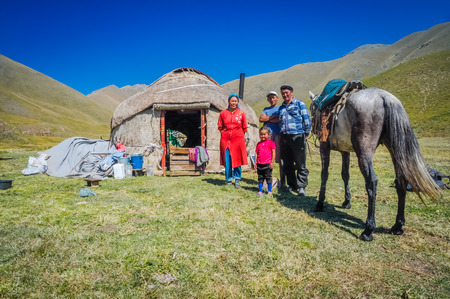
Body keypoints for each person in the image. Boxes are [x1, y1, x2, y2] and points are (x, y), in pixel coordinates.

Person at [278, 85, 312, 196]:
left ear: (291, 92)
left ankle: (301, 187)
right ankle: (292, 185)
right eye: (283, 93)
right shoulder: (281, 107)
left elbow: (306, 119)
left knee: (300, 163)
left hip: (297, 135)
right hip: (285, 137)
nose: (285, 95)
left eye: (286, 92)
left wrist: (305, 134)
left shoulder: (299, 104)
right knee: (287, 163)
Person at [218, 94, 248, 188]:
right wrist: (224, 133)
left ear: (238, 102)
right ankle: (228, 179)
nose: (234, 103)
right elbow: (220, 126)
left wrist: (241, 136)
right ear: (229, 102)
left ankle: (237, 179)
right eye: (232, 101)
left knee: (237, 159)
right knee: (228, 160)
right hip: (225, 139)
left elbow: (244, 127)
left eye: (235, 101)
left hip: (238, 139)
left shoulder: (241, 113)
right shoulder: (223, 113)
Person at [259, 91, 284, 187]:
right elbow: (261, 119)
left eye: (273, 97)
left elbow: (280, 119)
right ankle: (267, 178)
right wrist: (273, 117)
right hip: (267, 137)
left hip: (277, 135)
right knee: (267, 157)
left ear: (277, 98)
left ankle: (283, 179)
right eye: (269, 98)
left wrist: (267, 118)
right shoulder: (266, 109)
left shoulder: (280, 108)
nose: (271, 99)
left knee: (279, 157)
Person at [254, 126, 276, 196]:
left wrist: (272, 162)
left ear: (269, 135)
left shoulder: (271, 143)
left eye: (264, 134)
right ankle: (260, 191)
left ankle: (269, 191)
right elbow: (256, 153)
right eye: (261, 134)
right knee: (260, 178)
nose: (262, 136)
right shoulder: (259, 144)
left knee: (268, 177)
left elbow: (273, 152)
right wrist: (255, 163)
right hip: (260, 164)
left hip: (267, 164)